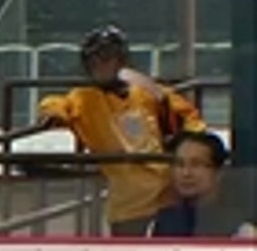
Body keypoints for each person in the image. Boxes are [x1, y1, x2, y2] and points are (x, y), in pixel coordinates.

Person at [37, 25, 207, 237]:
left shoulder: (144, 92)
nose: (100, 66)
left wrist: (190, 141)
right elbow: (56, 103)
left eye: (107, 59)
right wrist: (53, 114)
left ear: (122, 62)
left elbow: (186, 115)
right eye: (94, 61)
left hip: (167, 192)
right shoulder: (85, 99)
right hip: (129, 203)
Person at [149, 131, 257, 239]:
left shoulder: (240, 228)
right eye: (180, 164)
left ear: (219, 172)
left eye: (196, 164)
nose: (186, 173)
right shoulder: (160, 224)